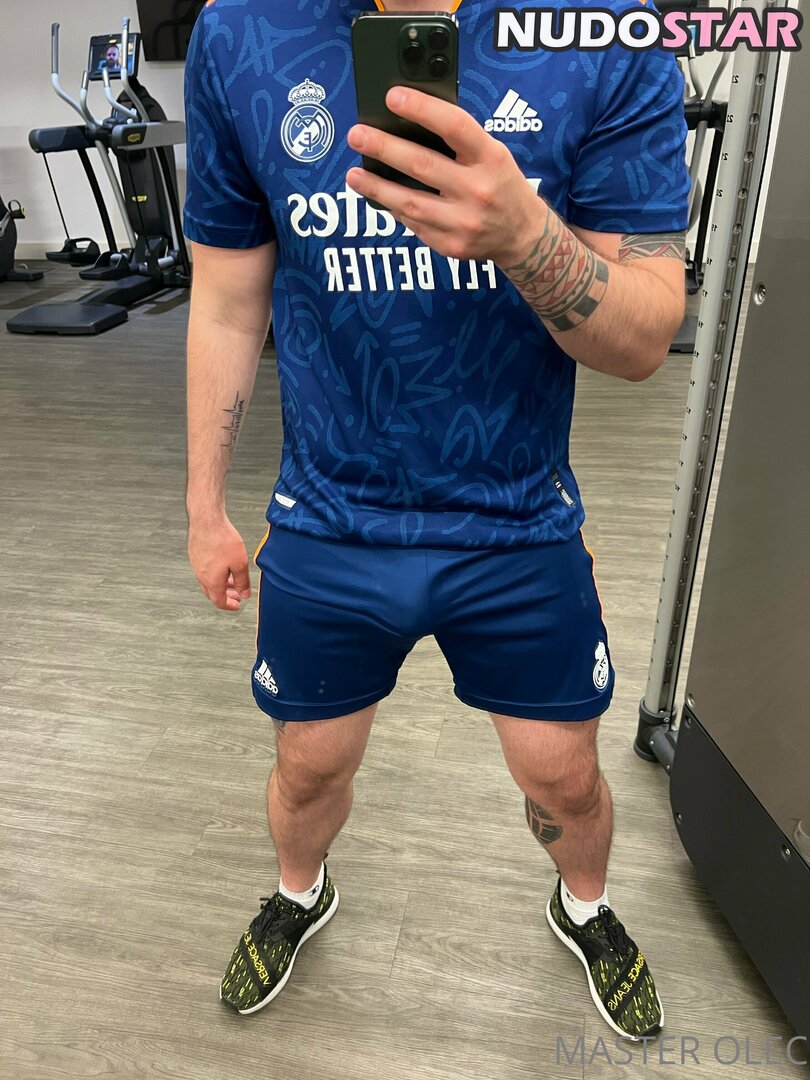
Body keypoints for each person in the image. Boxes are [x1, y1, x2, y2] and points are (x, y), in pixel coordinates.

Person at [184, 0, 688, 1039]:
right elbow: (228, 299)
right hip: (328, 515)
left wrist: (525, 237)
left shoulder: (604, 29)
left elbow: (645, 338)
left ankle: (584, 907)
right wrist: (203, 508)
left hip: (516, 519)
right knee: (308, 766)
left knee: (564, 779)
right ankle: (298, 891)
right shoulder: (241, 31)